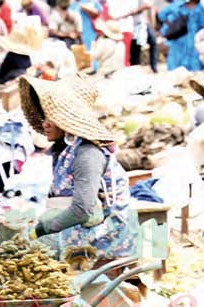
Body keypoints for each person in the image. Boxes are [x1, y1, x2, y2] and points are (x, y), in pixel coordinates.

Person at [19, 76, 137, 264]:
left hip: (104, 240)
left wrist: (38, 231)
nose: (45, 123)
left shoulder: (87, 153)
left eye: (53, 118)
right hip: (78, 233)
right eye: (45, 116)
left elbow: (82, 210)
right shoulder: (65, 149)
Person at [158, 0, 204, 71]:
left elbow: (162, 15)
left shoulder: (200, 7)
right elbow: (162, 15)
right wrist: (172, 25)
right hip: (185, 40)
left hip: (187, 40)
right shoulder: (201, 7)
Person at [114, 0, 157, 71]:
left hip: (141, 24)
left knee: (152, 43)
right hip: (132, 26)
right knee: (136, 49)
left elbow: (147, 5)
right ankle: (135, 69)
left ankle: (153, 67)